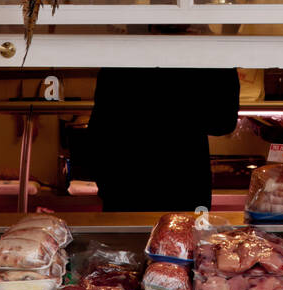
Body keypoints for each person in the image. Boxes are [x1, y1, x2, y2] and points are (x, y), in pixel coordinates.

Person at [82, 67, 240, 212]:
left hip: (128, 187)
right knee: (184, 240)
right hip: (184, 187)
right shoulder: (203, 52)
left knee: (127, 240)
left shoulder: (125, 54)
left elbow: (98, 132)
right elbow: (223, 122)